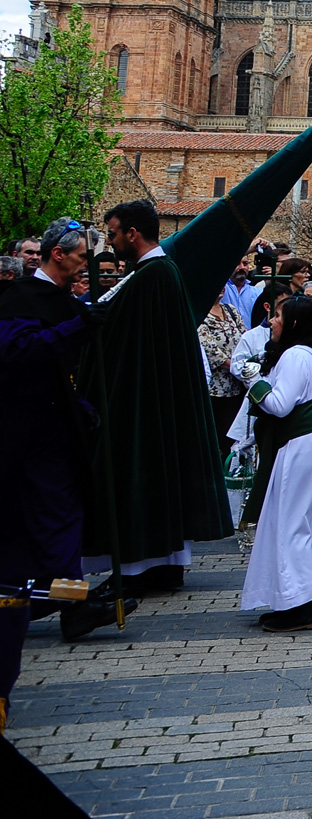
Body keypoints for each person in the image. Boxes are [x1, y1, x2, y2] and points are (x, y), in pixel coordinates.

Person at [76, 201, 232, 599]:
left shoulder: (154, 276)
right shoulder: (154, 274)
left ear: (132, 233)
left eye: (112, 234)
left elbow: (129, 345)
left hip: (143, 403)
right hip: (153, 399)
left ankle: (143, 568)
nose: (109, 243)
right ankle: (162, 566)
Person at [0, 220, 95, 692]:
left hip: (57, 428)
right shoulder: (18, 298)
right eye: (81, 255)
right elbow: (20, 353)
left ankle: (65, 599)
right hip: (25, 433)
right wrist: (79, 326)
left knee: (60, 514)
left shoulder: (64, 301)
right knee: (45, 516)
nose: (86, 264)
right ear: (58, 255)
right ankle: (57, 600)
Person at [239, 297, 312, 632]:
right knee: (301, 521)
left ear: (295, 323)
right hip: (310, 441)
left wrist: (254, 380)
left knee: (291, 523)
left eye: (278, 315)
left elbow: (280, 405)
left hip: (301, 442)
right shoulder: (308, 354)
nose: (272, 321)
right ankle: (295, 599)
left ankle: (303, 606)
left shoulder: (296, 355)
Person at [199, 287, 250, 441]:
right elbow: (213, 355)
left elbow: (245, 338)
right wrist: (241, 369)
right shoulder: (199, 314)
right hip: (215, 390)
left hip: (238, 386)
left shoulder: (230, 310)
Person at [223, 257, 262, 328]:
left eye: (245, 264)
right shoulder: (222, 289)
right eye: (237, 263)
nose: (242, 267)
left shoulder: (258, 292)